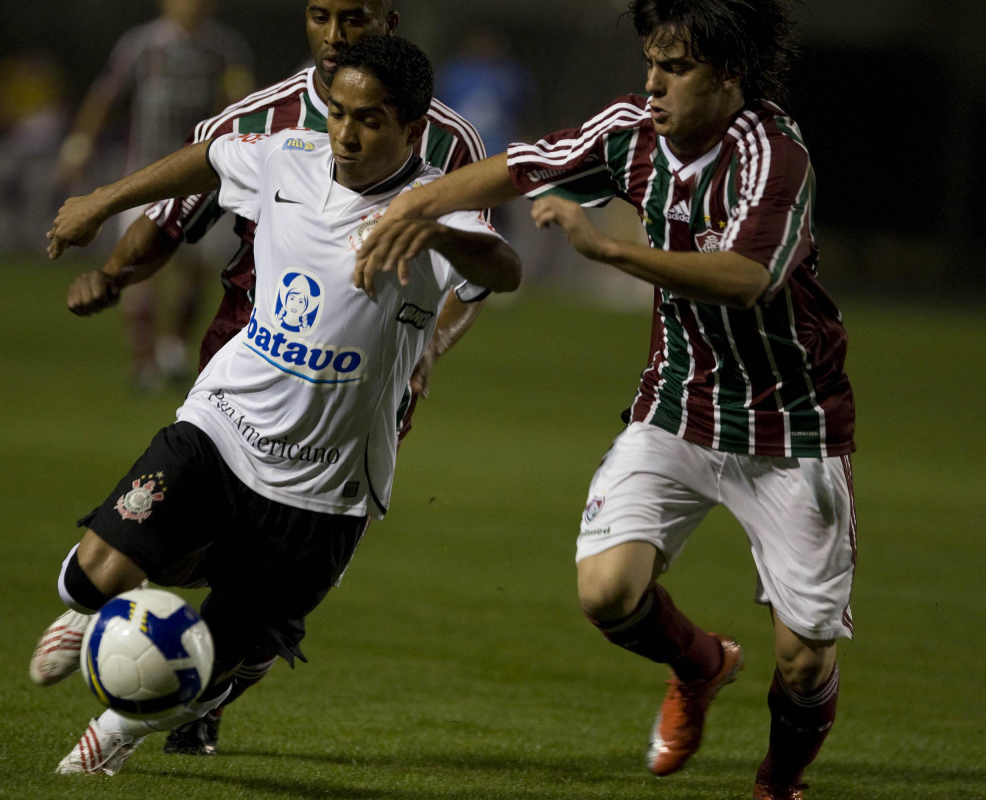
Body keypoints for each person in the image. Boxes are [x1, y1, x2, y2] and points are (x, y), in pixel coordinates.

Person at [355, 2, 855, 798]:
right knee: (607, 592)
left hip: (788, 427)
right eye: (650, 62)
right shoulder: (631, 132)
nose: (652, 83)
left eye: (676, 68)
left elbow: (747, 279)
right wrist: (416, 203)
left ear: (729, 76)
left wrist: (611, 249)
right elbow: (523, 165)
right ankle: (701, 664)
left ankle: (777, 784)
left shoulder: (774, 155)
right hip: (675, 408)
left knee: (804, 659)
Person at [39, 34, 521, 776]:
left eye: (370, 120)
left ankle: (115, 732)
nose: (347, 135)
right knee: (84, 577)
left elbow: (503, 268)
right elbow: (210, 157)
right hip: (223, 426)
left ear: (413, 129)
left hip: (326, 485)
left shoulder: (437, 205)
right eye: (337, 113)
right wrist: (101, 202)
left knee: (213, 666)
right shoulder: (286, 154)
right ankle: (100, 607)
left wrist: (428, 227)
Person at [54, 0, 255, 392]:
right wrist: (79, 143)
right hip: (144, 172)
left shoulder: (226, 48)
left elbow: (241, 101)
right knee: (137, 262)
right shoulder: (142, 45)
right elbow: (106, 95)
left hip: (201, 174)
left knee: (198, 267)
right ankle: (143, 363)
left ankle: (174, 346)